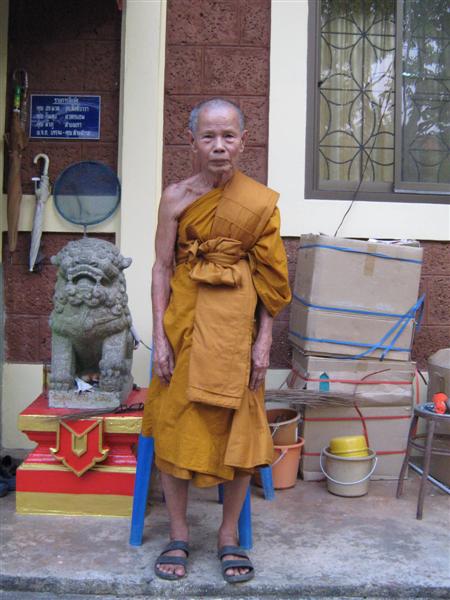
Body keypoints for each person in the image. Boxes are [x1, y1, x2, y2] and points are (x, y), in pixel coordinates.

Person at [141, 98, 291, 583]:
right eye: (209, 136)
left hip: (236, 333)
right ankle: (178, 533)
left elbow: (270, 280)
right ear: (192, 142)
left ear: (243, 141)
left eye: (228, 136)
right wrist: (160, 337)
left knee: (240, 429)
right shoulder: (175, 198)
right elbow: (162, 267)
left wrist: (264, 341)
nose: (219, 146)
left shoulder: (258, 202)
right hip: (184, 327)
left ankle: (228, 535)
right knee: (174, 425)